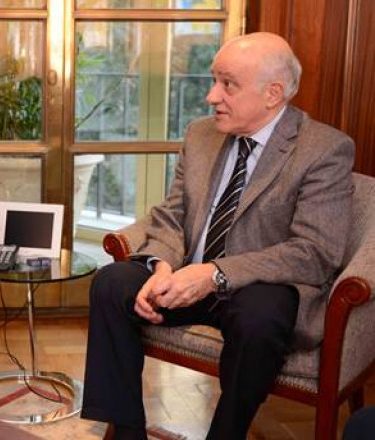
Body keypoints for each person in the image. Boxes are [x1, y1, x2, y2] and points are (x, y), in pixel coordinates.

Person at [81, 32, 354, 440]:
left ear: (272, 93)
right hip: (185, 277)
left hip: (257, 289)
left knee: (260, 318)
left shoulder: (323, 149)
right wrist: (162, 266)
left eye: (228, 84)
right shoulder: (201, 134)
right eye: (214, 80)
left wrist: (213, 274)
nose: (211, 96)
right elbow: (173, 213)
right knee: (111, 282)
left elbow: (315, 253)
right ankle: (126, 430)